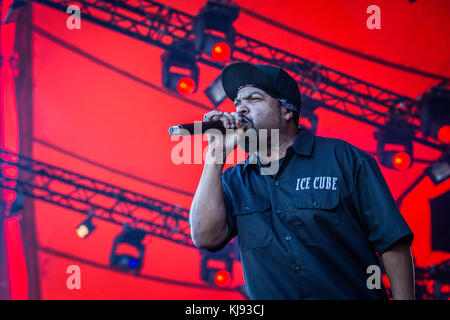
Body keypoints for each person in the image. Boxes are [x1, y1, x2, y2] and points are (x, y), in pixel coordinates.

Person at [189, 61, 415, 300]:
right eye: (237, 103)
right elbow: (205, 237)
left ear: (286, 111)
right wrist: (215, 156)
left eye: (254, 99)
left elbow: (392, 243)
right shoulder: (236, 180)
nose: (240, 109)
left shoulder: (344, 159)